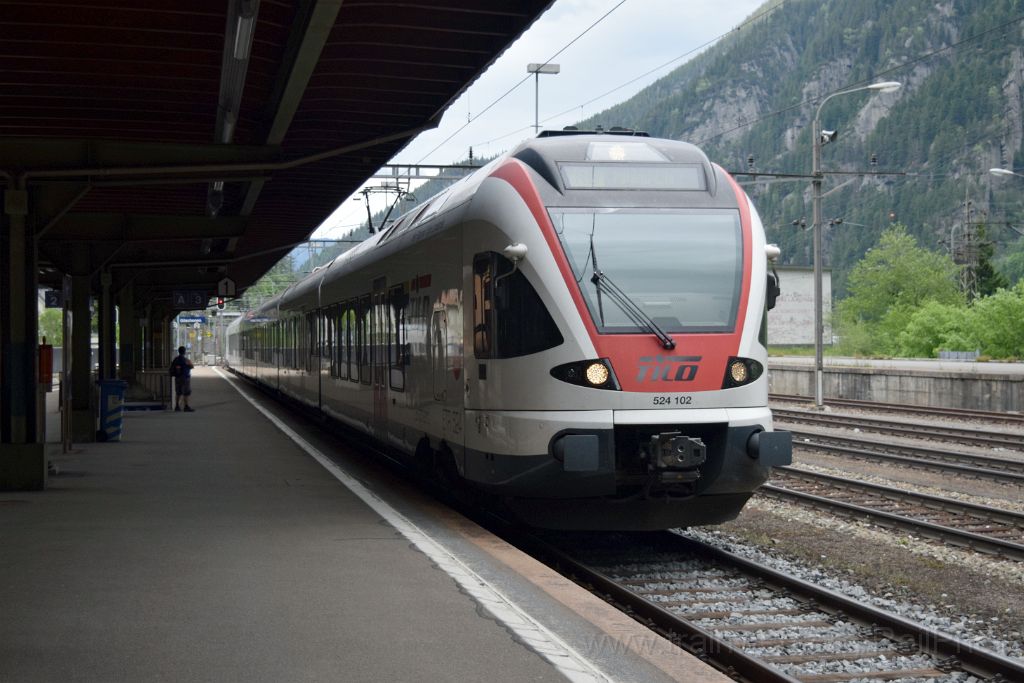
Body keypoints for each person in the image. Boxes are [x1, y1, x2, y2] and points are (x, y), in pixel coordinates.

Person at [169, 346, 195, 412]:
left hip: (177, 378)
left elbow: (172, 367)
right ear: (184, 352)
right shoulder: (186, 360)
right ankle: (186, 406)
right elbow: (192, 366)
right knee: (186, 393)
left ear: (179, 351)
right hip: (185, 378)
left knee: (178, 392)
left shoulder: (176, 359)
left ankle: (177, 406)